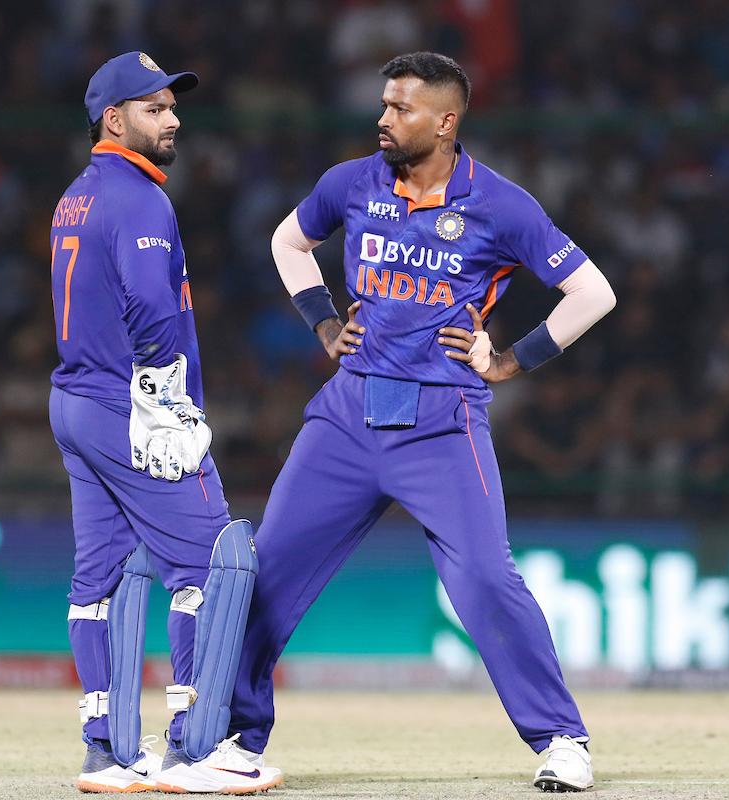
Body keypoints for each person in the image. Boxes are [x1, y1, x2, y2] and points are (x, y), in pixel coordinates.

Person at [228, 52, 616, 793]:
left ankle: (562, 739)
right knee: (267, 574)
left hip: (442, 423)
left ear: (445, 121)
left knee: (484, 582)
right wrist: (319, 321)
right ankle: (236, 739)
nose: (383, 118)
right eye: (383, 104)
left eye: (401, 108)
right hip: (345, 416)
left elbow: (592, 292)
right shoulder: (349, 183)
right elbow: (289, 243)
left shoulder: (501, 205)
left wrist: (510, 360)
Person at [48, 51, 280, 795]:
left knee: (104, 579)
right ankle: (195, 747)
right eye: (154, 107)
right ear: (113, 120)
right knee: (217, 560)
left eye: (172, 105)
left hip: (76, 402)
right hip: (130, 403)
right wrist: (165, 395)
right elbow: (150, 303)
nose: (173, 117)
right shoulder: (142, 198)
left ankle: (108, 753)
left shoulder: (76, 197)